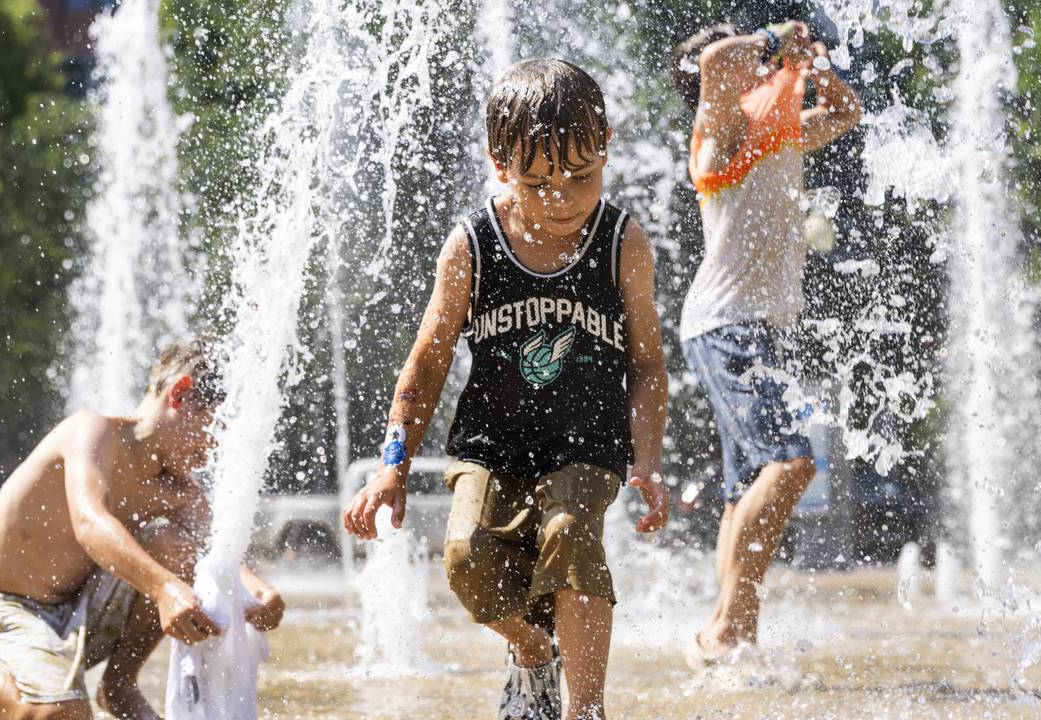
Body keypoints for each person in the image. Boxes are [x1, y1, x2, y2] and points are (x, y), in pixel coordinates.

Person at [342, 58, 669, 720]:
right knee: (465, 556)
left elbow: (648, 363)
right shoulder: (472, 245)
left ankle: (587, 711)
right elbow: (428, 362)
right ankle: (532, 649)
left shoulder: (620, 242)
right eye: (537, 181)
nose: (562, 198)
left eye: (581, 176)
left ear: (606, 148)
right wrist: (392, 467)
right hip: (491, 445)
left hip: (587, 442)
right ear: (499, 164)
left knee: (573, 534)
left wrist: (650, 459)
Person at [0, 338, 285, 720]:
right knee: (64, 716)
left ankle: (119, 685)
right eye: (217, 427)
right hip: (3, 605)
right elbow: (90, 525)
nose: (215, 448)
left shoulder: (180, 489)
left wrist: (257, 590)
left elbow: (216, 555)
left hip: (80, 612)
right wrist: (163, 587)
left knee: (178, 548)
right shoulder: (93, 433)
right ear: (180, 393)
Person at [668, 21, 861, 668]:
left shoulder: (777, 132)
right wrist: (782, 38)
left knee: (742, 488)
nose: (759, 64)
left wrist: (817, 63)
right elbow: (722, 58)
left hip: (747, 327)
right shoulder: (718, 135)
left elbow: (844, 110)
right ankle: (726, 630)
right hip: (726, 325)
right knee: (792, 462)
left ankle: (727, 637)